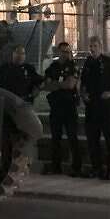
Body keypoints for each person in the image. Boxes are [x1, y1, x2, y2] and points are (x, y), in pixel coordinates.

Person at [80, 36, 110, 180]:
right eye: (91, 46)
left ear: (100, 47)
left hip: (106, 109)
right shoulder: (87, 64)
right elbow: (83, 84)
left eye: (95, 46)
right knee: (92, 141)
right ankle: (96, 169)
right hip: (91, 108)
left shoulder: (107, 63)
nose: (92, 49)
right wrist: (83, 94)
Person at [43, 41, 82, 176]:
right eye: (64, 51)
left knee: (72, 137)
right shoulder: (52, 67)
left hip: (70, 106)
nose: (66, 54)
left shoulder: (73, 66)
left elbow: (71, 84)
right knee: (55, 138)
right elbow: (46, 86)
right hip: (56, 107)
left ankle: (76, 167)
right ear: (58, 52)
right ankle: (56, 167)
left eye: (68, 51)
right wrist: (61, 84)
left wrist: (56, 84)